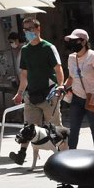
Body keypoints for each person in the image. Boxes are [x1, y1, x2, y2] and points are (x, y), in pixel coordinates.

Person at [10, 17, 64, 166]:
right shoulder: (25, 50)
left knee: (54, 127)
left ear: (38, 29)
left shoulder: (48, 47)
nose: (27, 32)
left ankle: (63, 157)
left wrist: (60, 86)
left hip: (49, 94)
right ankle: (21, 155)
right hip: (31, 94)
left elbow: (58, 68)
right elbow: (24, 74)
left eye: (30, 29)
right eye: (25, 30)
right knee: (28, 126)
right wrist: (20, 92)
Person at [63, 28, 94, 152]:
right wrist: (63, 87)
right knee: (74, 129)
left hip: (92, 96)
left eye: (74, 40)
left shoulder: (93, 56)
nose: (71, 43)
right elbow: (71, 77)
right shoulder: (71, 58)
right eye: (70, 40)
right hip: (77, 97)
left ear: (83, 41)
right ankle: (70, 155)